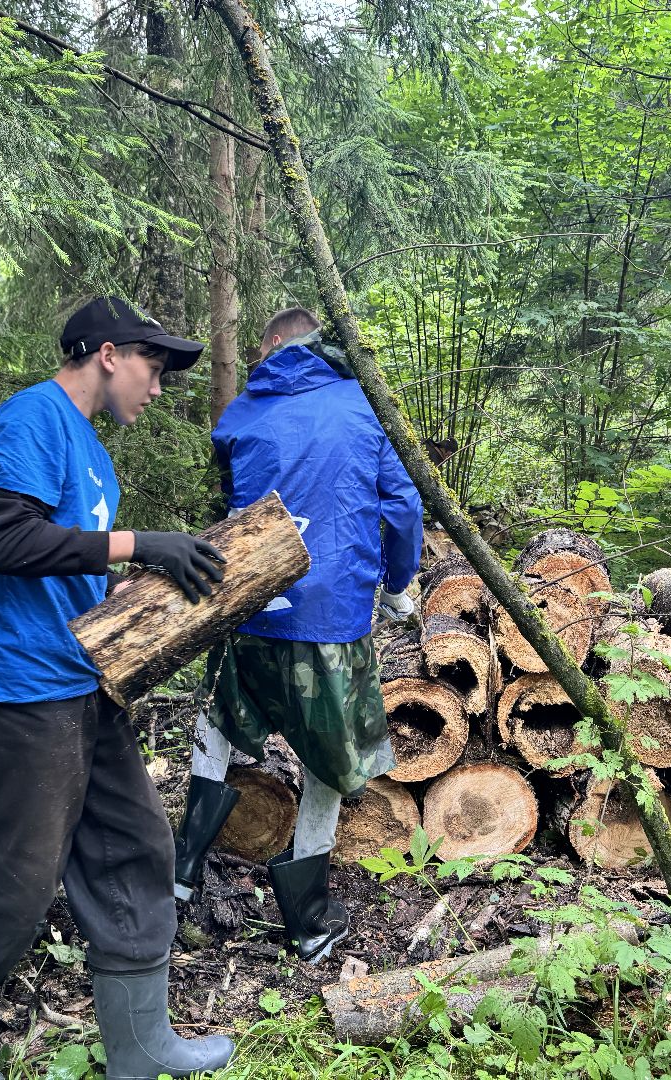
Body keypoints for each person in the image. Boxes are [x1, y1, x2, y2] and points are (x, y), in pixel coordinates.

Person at [0, 297, 232, 1080]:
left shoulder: (89, 447)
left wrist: (141, 589)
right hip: (22, 688)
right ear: (110, 353)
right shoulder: (30, 419)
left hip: (88, 684)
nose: (157, 389)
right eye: (153, 369)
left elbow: (66, 559)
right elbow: (4, 538)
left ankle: (140, 1047)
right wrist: (136, 543)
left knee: (134, 847)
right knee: (14, 874)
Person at [173, 307, 423, 963]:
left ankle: (182, 866)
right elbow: (402, 504)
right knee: (327, 756)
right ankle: (308, 921)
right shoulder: (362, 401)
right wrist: (397, 584)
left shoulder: (243, 412)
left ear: (273, 345)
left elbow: (233, 505)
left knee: (223, 719)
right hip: (331, 616)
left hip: (250, 604)